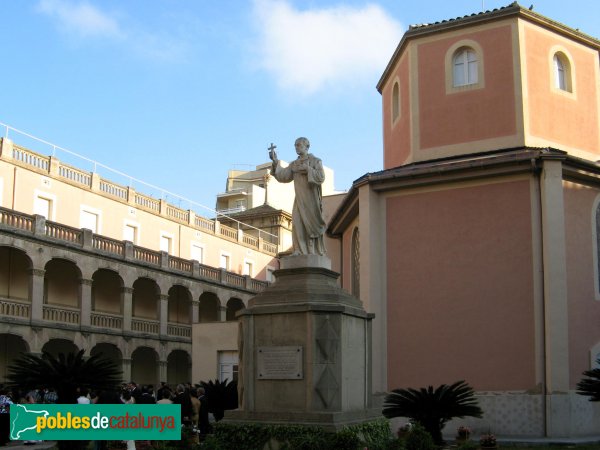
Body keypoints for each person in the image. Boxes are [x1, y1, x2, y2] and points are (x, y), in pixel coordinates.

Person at [269, 137, 326, 256]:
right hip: (299, 199)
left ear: (307, 146)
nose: (296, 147)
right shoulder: (294, 164)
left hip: (311, 199)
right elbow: (283, 176)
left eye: (299, 145)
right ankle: (299, 250)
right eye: (295, 145)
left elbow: (321, 177)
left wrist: (308, 169)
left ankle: (311, 251)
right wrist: (275, 162)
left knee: (310, 225)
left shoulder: (316, 161)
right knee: (297, 223)